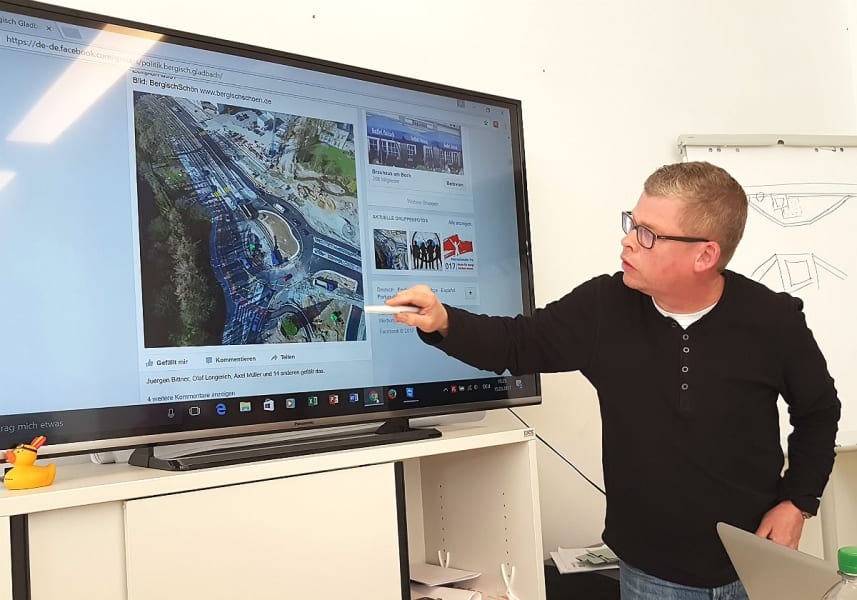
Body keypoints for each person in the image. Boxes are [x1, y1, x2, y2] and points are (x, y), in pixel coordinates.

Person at [386, 161, 841, 600]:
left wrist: (798, 502)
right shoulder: (604, 308)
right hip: (652, 571)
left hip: (755, 564)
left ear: (705, 254)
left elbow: (819, 412)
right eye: (631, 223)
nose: (627, 242)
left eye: (648, 235)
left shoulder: (773, 319)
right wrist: (443, 320)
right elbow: (516, 343)